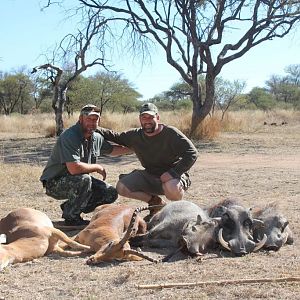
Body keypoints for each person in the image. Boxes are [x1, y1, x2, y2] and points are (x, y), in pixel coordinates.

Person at [97, 103, 198, 218]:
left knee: (171, 187)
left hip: (173, 178)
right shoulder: (135, 135)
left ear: (157, 118)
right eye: (144, 117)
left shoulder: (171, 133)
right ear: (140, 119)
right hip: (150, 174)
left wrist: (172, 173)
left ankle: (178, 213)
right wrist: (94, 127)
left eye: (150, 117)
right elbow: (115, 136)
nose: (147, 121)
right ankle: (156, 203)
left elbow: (192, 153)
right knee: (122, 187)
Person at [40, 104, 132, 226]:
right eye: (89, 119)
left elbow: (113, 150)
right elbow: (74, 169)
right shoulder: (70, 136)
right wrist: (98, 167)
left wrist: (135, 148)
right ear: (81, 119)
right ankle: (72, 217)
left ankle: (70, 207)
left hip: (78, 181)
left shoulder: (96, 137)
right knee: (85, 179)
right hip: (54, 182)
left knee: (110, 193)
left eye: (95, 119)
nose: (92, 122)